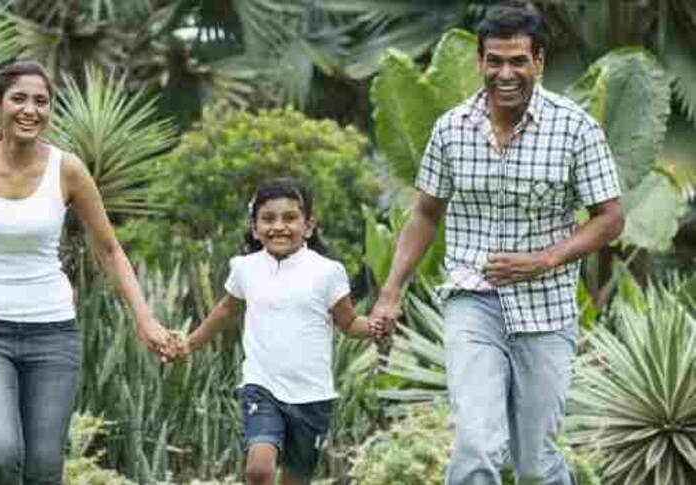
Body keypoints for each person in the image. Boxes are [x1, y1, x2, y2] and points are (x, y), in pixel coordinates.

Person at [369, 3, 624, 484]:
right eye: (495, 61)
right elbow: (425, 213)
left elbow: (610, 219)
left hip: (546, 310)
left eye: (518, 61)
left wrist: (544, 260)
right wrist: (391, 291)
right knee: (477, 445)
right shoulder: (452, 128)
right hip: (472, 300)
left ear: (539, 62)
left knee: (536, 464)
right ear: (480, 62)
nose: (505, 74)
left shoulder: (576, 128)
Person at [0, 61, 180, 485]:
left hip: (52, 334)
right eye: (19, 99)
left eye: (41, 101)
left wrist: (145, 320)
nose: (30, 109)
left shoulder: (68, 169)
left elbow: (109, 249)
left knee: (44, 469)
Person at [181, 177, 387, 485]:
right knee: (259, 470)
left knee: (295, 479)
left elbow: (348, 323)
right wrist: (189, 343)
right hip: (261, 387)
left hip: (313, 396)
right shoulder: (245, 268)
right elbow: (224, 310)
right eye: (268, 219)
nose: (279, 226)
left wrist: (374, 326)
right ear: (255, 228)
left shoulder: (327, 272)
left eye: (290, 218)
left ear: (309, 226)